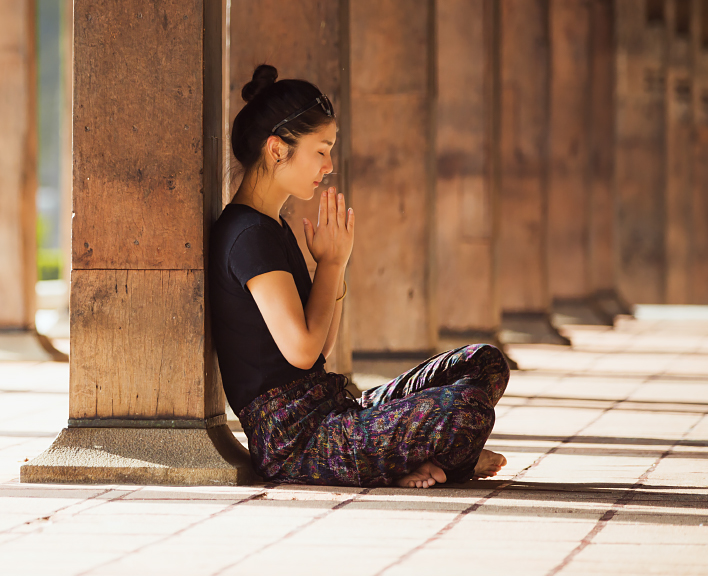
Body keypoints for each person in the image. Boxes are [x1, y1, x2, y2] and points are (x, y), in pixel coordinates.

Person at [209, 64, 510, 488]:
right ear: (277, 150)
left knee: (483, 362)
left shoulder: (270, 226)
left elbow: (320, 349)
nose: (329, 165)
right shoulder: (246, 237)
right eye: (321, 150)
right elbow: (302, 350)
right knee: (467, 409)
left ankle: (415, 459)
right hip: (300, 444)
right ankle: (438, 464)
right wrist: (330, 266)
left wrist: (336, 265)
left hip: (334, 414)